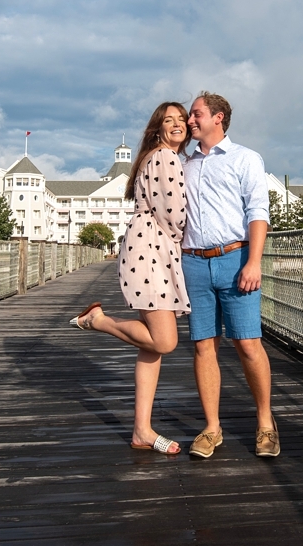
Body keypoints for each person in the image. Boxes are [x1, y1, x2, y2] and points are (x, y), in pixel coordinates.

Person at [70, 102, 191, 455]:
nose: (177, 124)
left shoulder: (153, 158)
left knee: (151, 346)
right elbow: (173, 213)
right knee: (165, 342)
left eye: (182, 120)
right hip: (152, 252)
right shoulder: (166, 158)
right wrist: (189, 241)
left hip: (148, 251)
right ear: (157, 129)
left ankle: (141, 430)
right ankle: (98, 320)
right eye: (169, 120)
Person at [181, 91, 277, 459]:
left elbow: (258, 211)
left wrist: (254, 262)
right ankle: (211, 428)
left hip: (235, 259)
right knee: (203, 345)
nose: (191, 120)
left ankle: (266, 423)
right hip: (193, 262)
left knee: (247, 344)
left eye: (196, 114)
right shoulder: (183, 163)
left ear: (218, 117)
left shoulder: (245, 158)